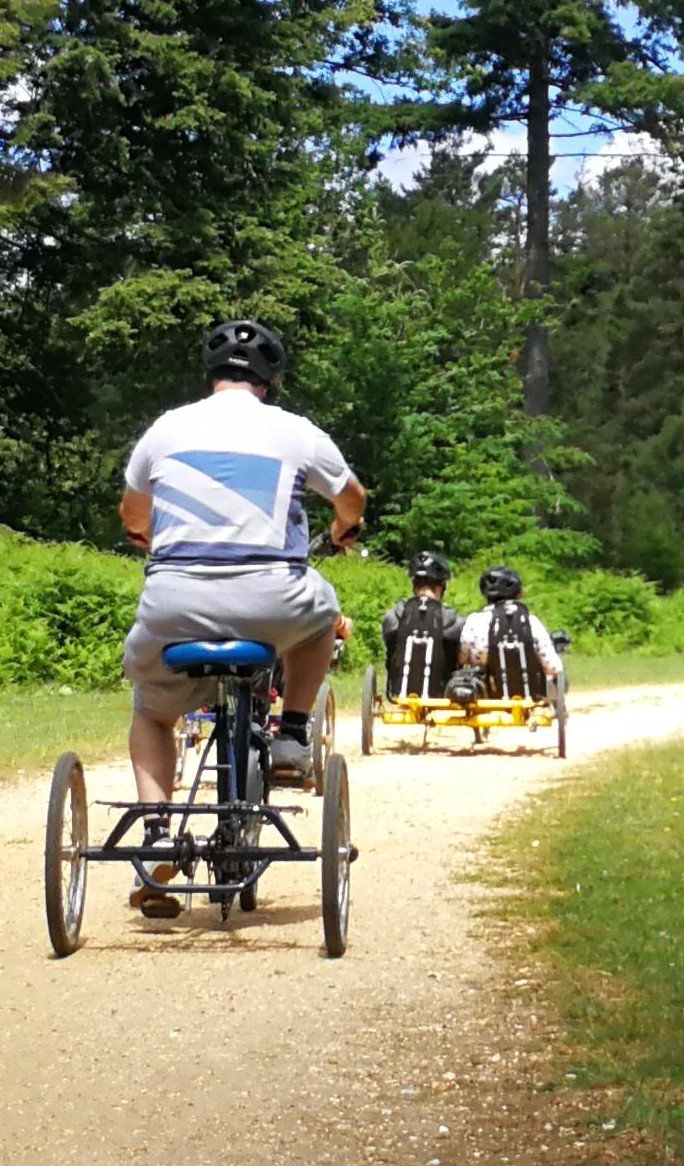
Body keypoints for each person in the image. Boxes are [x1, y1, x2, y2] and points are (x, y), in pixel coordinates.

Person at [119, 319, 367, 916]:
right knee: (322, 613)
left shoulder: (165, 428)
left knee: (152, 714)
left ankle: (157, 835)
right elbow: (351, 497)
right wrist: (343, 528)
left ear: (210, 376)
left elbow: (133, 512)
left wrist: (144, 535)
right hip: (271, 600)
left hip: (176, 600)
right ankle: (291, 734)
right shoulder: (297, 432)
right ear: (271, 380)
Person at [459, 565, 563, 701]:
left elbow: (463, 658)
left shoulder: (474, 621)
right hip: (530, 697)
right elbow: (553, 667)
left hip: (487, 697)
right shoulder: (531, 622)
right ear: (518, 593)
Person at [380, 551, 464, 701]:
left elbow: (389, 647)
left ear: (414, 584)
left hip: (400, 691)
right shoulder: (453, 621)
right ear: (442, 585)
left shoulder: (393, 617)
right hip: (442, 693)